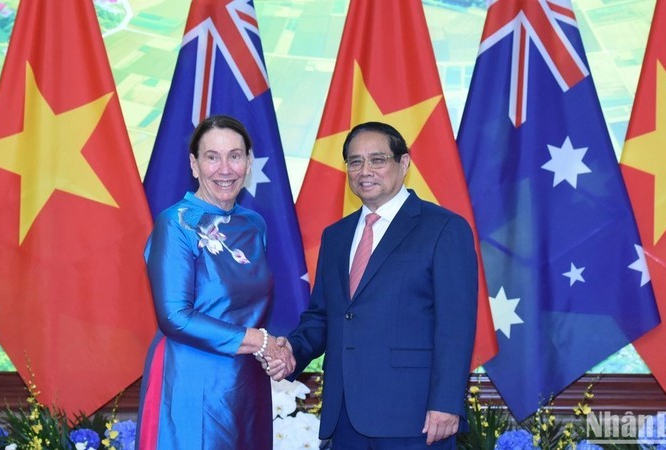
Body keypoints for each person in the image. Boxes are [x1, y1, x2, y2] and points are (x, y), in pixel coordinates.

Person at [272, 121, 478, 449]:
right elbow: (323, 317)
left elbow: (456, 325)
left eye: (377, 159)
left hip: (415, 417)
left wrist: (446, 402)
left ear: (404, 163)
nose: (365, 170)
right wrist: (293, 351)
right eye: (355, 161)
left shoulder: (444, 228)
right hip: (344, 418)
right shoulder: (336, 236)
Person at [135, 114, 294, 449]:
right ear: (194, 165)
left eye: (235, 156)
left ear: (248, 163)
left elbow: (253, 309)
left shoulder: (255, 224)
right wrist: (260, 341)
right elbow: (175, 316)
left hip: (247, 379)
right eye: (212, 157)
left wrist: (270, 350)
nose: (225, 169)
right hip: (191, 378)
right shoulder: (176, 224)